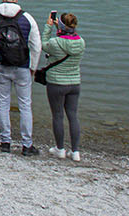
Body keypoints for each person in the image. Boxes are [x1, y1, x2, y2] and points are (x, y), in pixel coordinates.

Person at [0, 0, 42, 154]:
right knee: (25, 105)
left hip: (1, 65)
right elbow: (36, 46)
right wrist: (33, 68)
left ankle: (5, 141)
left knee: (3, 103)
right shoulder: (27, 18)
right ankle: (27, 144)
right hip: (22, 67)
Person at [42, 11, 85, 161]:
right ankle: (75, 152)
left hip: (56, 83)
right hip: (74, 83)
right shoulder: (81, 42)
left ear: (59, 26)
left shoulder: (55, 43)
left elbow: (43, 45)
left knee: (58, 115)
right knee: (73, 116)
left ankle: (60, 149)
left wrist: (48, 27)